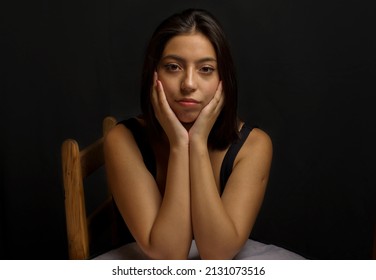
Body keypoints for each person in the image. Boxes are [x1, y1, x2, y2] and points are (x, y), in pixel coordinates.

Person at [103, 8, 301, 260]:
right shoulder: (123, 139)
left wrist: (196, 143)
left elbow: (216, 255)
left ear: (224, 79)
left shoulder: (254, 145)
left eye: (206, 69)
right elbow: (169, 256)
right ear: (153, 76)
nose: (188, 84)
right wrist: (178, 144)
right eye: (173, 67)